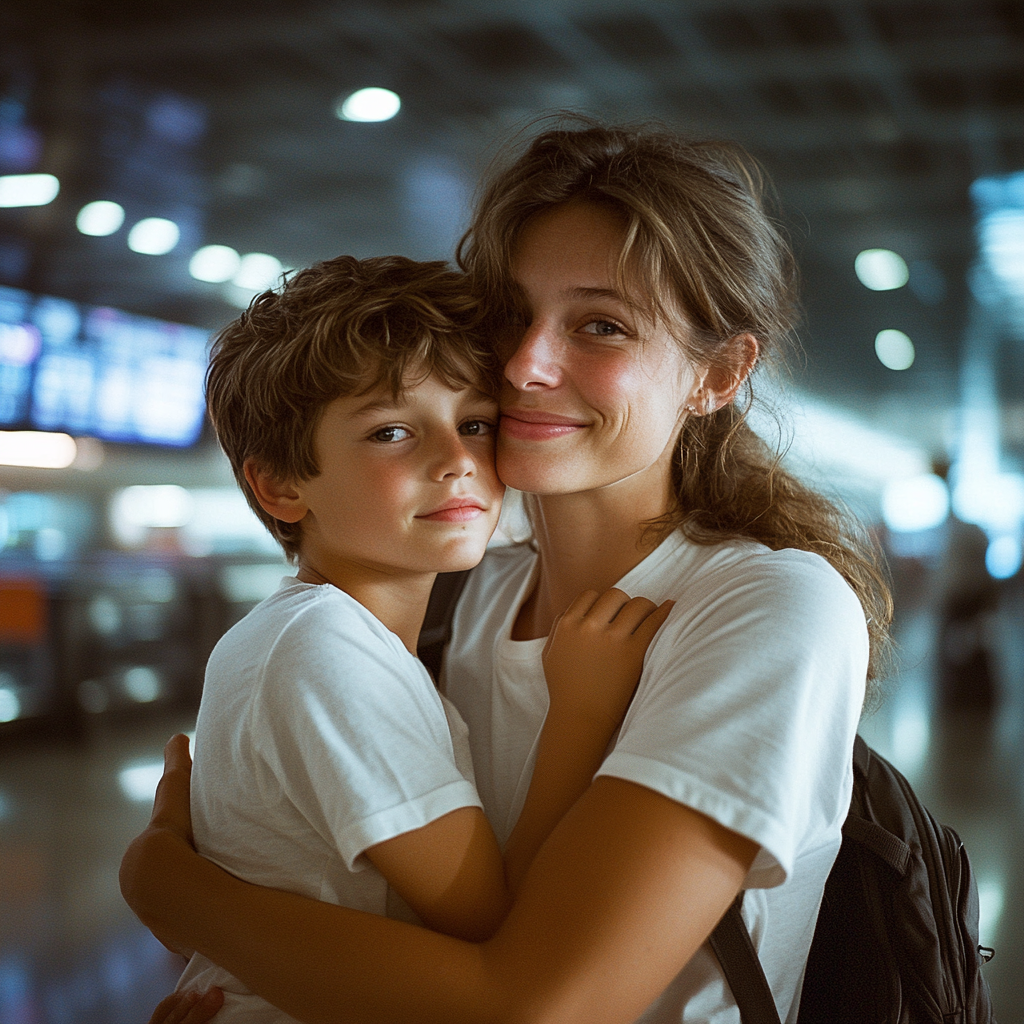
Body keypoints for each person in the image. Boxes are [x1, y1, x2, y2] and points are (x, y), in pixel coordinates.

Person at [121, 119, 893, 1024]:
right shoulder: (452, 599)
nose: (527, 364)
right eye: (511, 316)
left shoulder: (764, 610)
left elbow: (534, 1007)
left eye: (600, 325)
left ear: (717, 375)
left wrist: (179, 895)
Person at [160, 253, 673, 1022]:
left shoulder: (330, 640)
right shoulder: (322, 652)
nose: (457, 461)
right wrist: (581, 712)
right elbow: (496, 921)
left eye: (473, 423)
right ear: (280, 486)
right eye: (392, 431)